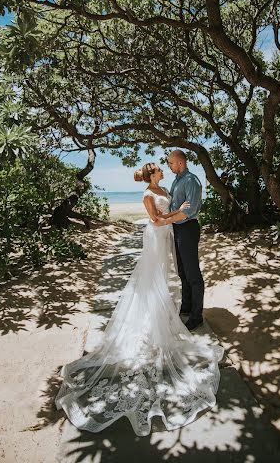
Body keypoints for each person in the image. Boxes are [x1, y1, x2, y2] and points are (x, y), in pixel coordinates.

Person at [54, 161, 224, 437]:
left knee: (163, 278)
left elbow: (168, 211)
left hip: (167, 236)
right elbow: (155, 220)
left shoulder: (165, 188)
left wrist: (178, 214)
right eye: (159, 169)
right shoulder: (147, 194)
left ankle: (160, 315)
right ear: (151, 175)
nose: (163, 171)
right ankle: (151, 321)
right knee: (152, 278)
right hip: (156, 236)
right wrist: (177, 214)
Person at [167, 150, 204, 331]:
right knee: (182, 271)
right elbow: (175, 206)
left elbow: (189, 210)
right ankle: (187, 306)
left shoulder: (191, 180)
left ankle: (197, 316)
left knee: (192, 274)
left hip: (188, 228)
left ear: (180, 162)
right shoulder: (177, 180)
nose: (169, 166)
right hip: (177, 228)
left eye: (171, 163)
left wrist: (165, 220)